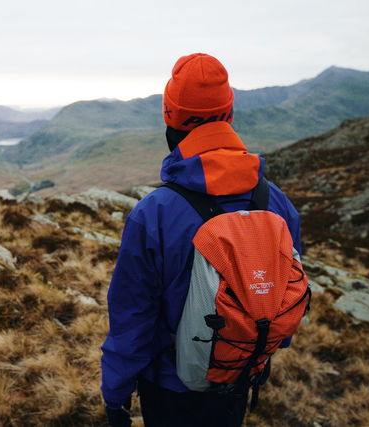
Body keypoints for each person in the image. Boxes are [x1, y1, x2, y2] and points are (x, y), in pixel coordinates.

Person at [100, 53, 303, 427]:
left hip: (171, 387)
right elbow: (285, 291)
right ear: (228, 115)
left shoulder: (154, 213)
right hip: (239, 374)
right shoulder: (276, 202)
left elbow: (131, 320)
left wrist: (115, 394)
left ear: (170, 119)